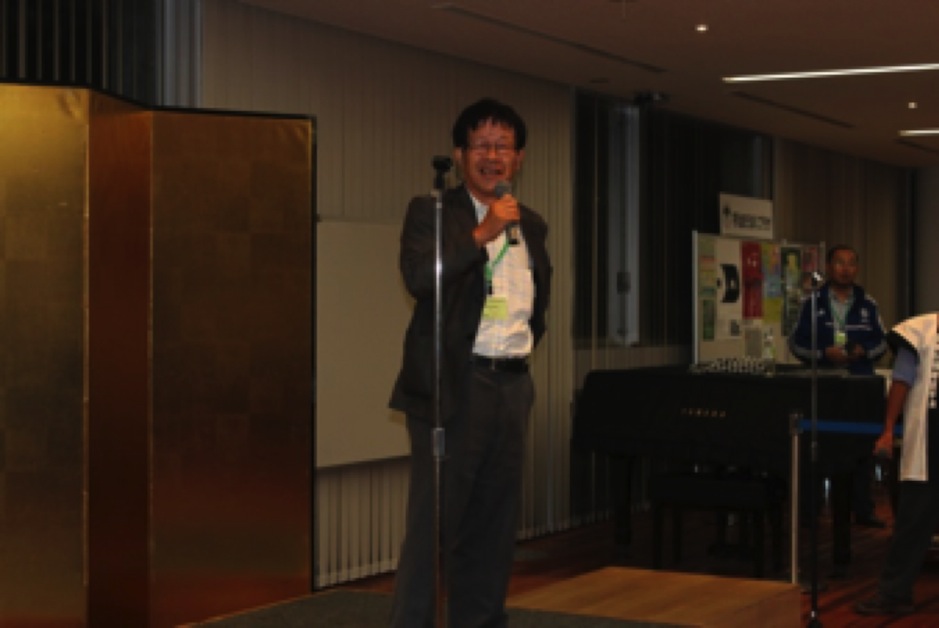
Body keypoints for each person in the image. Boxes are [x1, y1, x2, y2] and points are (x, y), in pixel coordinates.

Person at [387, 98, 552, 628]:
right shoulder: (432, 212)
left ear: (519, 158)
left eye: (503, 146)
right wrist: (483, 234)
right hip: (456, 385)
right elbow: (420, 278)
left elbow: (536, 308)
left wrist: (516, 358)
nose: (492, 156)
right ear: (460, 155)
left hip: (512, 384)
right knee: (434, 525)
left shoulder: (533, 225)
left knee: (494, 525)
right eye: (481, 145)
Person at [787, 244, 889, 528]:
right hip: (823, 387)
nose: (846, 269)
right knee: (818, 449)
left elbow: (882, 343)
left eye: (851, 263)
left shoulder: (868, 304)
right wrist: (823, 354)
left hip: (859, 387)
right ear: (829, 267)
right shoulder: (812, 302)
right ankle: (811, 510)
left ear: (857, 269)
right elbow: (796, 344)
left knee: (861, 450)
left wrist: (864, 352)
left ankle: (863, 509)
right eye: (840, 263)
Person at [855, 313, 939, 616]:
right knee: (913, 519)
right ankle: (894, 593)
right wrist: (888, 430)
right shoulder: (921, 330)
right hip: (931, 435)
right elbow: (901, 381)